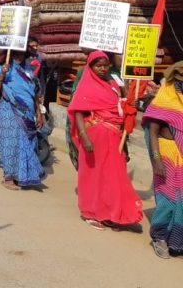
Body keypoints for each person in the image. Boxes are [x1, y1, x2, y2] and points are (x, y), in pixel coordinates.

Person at [68, 51, 142, 230]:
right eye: (98, 66)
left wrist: (131, 102)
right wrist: (84, 137)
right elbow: (78, 111)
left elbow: (121, 105)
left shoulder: (113, 84)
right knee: (94, 176)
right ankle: (90, 212)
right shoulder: (86, 86)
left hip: (115, 136)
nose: (102, 69)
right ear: (91, 67)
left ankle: (109, 211)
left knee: (112, 177)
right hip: (95, 137)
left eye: (105, 65)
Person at [0, 50, 46, 190]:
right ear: (10, 54)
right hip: (9, 109)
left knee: (27, 143)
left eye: (22, 54)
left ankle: (22, 176)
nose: (19, 57)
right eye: (16, 54)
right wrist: (2, 73)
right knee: (11, 143)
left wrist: (39, 112)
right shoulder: (2, 69)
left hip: (27, 111)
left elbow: (34, 94)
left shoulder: (28, 71)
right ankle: (9, 177)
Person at [143, 61, 183, 258]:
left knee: (182, 200)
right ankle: (159, 237)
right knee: (167, 198)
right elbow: (153, 130)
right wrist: (156, 159)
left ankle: (176, 241)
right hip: (166, 152)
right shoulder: (165, 96)